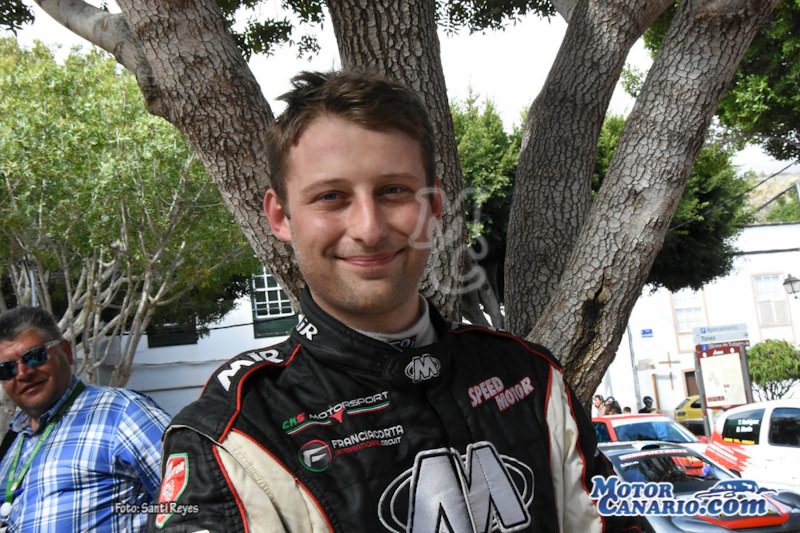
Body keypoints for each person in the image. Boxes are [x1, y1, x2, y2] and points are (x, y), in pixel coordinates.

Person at [151, 70, 604, 532]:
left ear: (434, 205)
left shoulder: (529, 376)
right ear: (281, 216)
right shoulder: (234, 431)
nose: (369, 230)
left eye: (393, 191)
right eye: (331, 197)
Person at [0, 307, 170, 532]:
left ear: (66, 352)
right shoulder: (13, 443)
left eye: (34, 357)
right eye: (7, 369)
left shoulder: (123, 412)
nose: (23, 374)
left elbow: (196, 499)